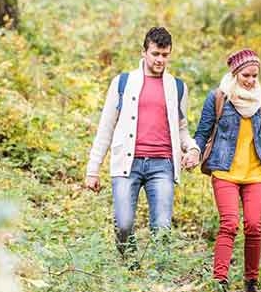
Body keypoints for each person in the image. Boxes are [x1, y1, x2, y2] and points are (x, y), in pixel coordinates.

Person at [85, 26, 201, 256]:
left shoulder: (177, 87)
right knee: (124, 224)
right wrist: (93, 169)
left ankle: (159, 281)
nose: (160, 60)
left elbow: (182, 129)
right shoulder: (123, 83)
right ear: (144, 52)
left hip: (162, 165)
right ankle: (131, 269)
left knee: (162, 228)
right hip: (127, 164)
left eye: (165, 55)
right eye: (155, 54)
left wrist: (193, 148)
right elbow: (106, 126)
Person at [193, 48, 261, 292]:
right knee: (229, 224)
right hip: (225, 171)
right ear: (235, 74)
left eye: (255, 76)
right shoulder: (218, 98)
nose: (251, 80)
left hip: (256, 173)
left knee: (254, 225)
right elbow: (202, 132)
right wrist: (193, 152)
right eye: (246, 75)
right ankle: (220, 282)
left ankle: (251, 283)